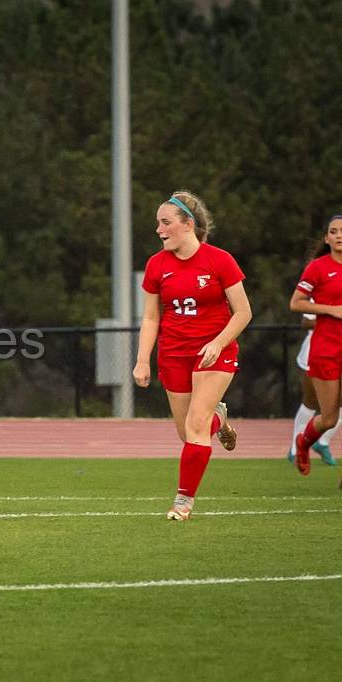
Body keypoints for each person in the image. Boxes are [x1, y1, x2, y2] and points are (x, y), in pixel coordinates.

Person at [134, 190, 252, 521]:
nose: (158, 229)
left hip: (215, 352)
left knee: (197, 426)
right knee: (188, 434)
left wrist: (218, 342)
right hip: (173, 354)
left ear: (188, 224)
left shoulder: (220, 260)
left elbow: (243, 312)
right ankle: (221, 419)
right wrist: (143, 359)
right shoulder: (156, 265)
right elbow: (151, 317)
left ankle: (183, 502)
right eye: (157, 223)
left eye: (165, 222)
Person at [289, 214, 342, 481]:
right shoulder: (319, 268)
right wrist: (331, 310)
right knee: (329, 418)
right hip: (326, 350)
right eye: (334, 231)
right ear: (327, 238)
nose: (339, 235)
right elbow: (296, 303)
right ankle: (303, 443)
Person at [285, 312, 338, 465]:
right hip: (318, 350)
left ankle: (323, 442)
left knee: (339, 405)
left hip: (338, 350)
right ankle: (296, 450)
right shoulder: (322, 291)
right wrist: (332, 322)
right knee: (311, 402)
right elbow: (305, 322)